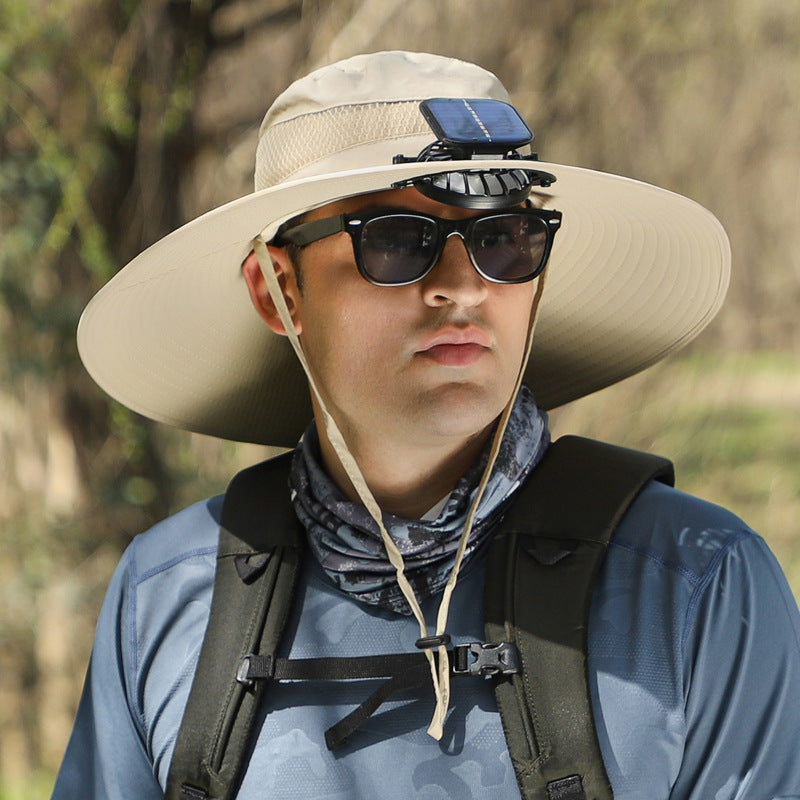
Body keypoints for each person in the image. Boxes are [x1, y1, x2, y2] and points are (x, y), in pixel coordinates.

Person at [53, 51, 800, 800]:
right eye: (396, 238)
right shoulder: (165, 598)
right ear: (278, 287)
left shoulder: (699, 587)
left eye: (504, 235)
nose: (463, 286)